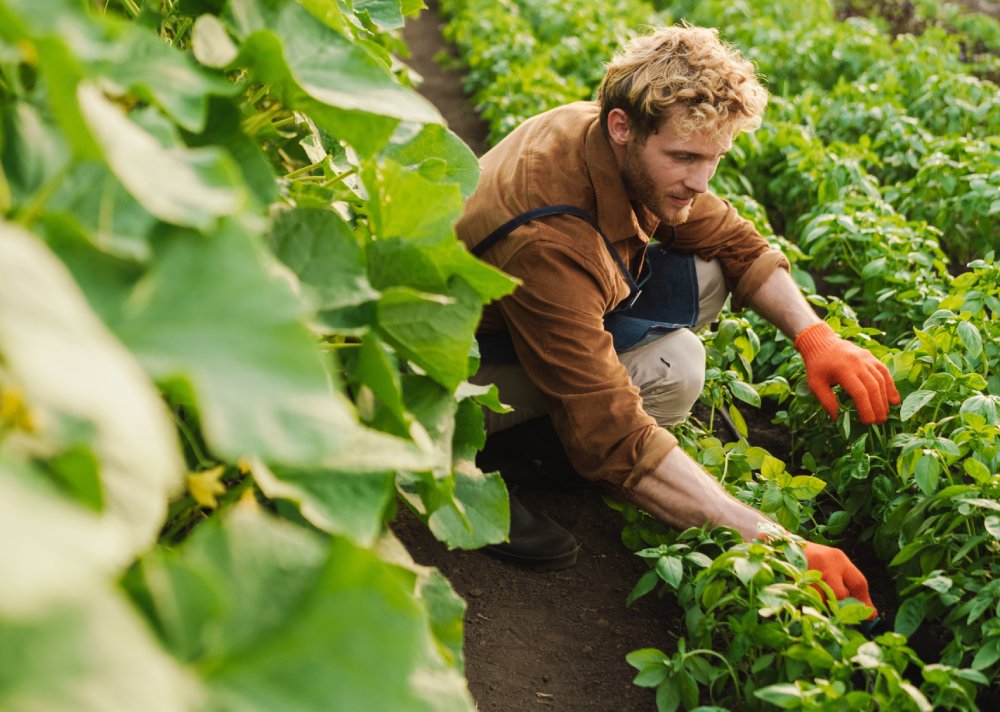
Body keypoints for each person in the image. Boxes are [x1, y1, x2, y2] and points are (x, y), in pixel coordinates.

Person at [456, 25, 899, 612]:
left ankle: (536, 441)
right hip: (452, 365)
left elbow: (736, 242)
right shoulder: (549, 235)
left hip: (522, 318)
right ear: (623, 128)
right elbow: (613, 430)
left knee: (703, 291)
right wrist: (778, 543)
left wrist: (818, 338)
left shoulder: (613, 140)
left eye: (714, 158)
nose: (700, 178)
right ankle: (470, 463)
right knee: (667, 373)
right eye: (685, 157)